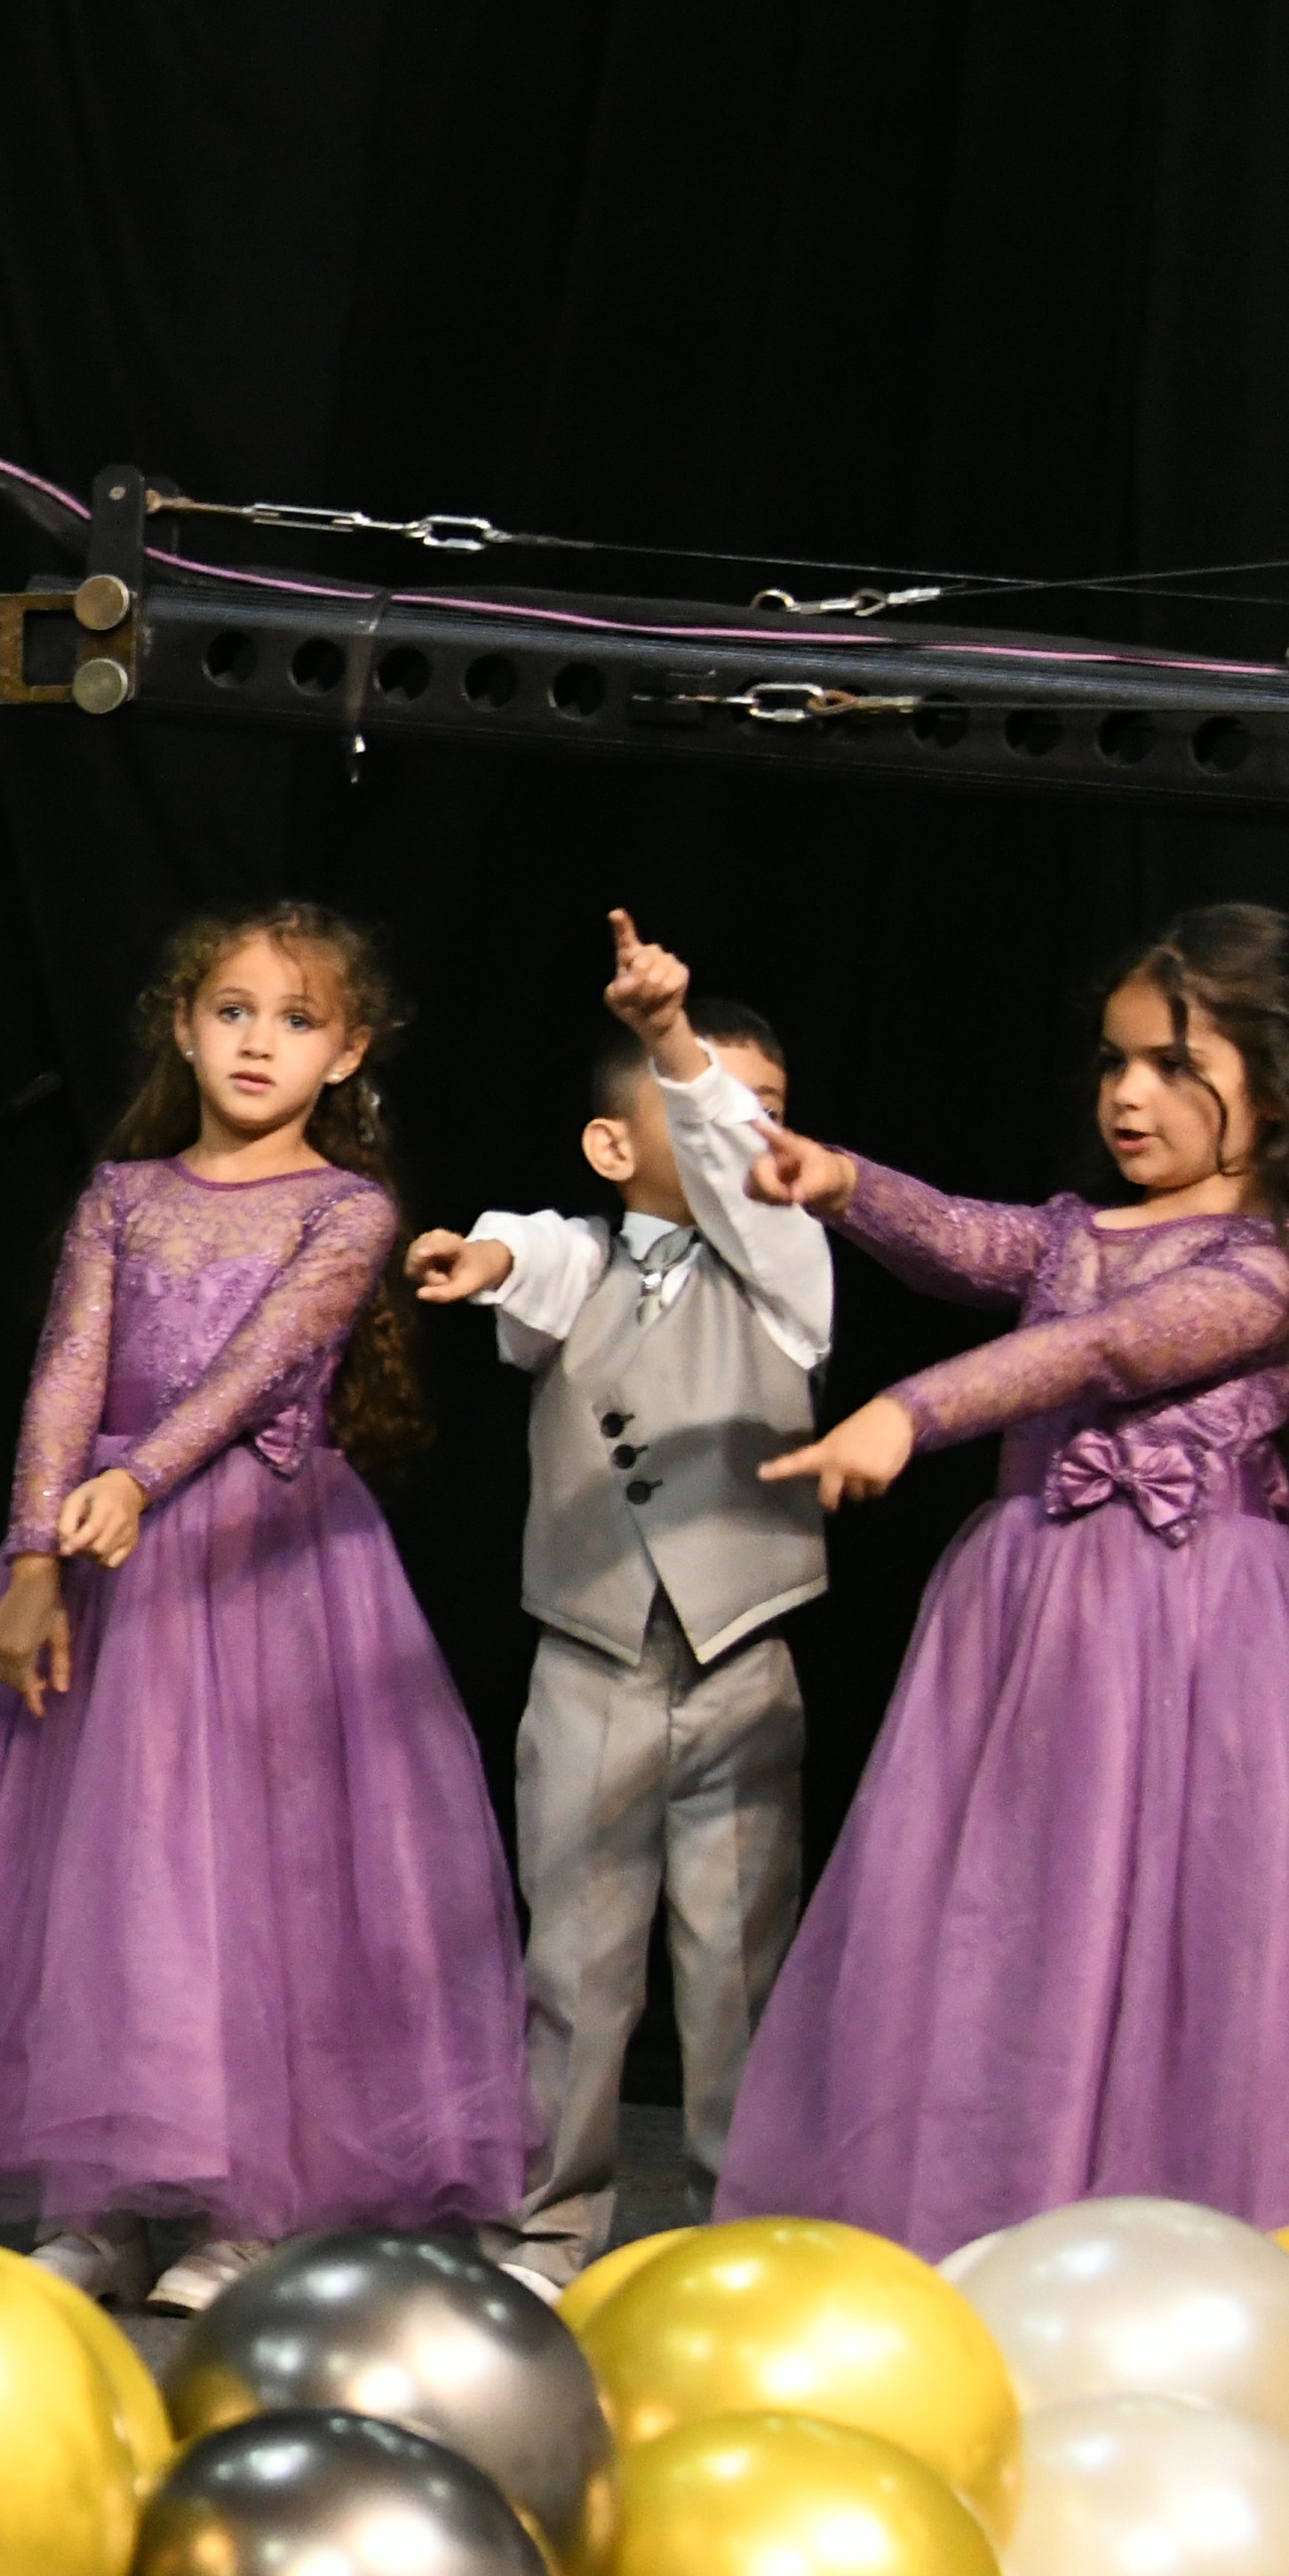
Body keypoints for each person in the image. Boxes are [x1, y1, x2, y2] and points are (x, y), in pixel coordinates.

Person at [0, 900, 532, 2310]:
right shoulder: (124, 1195)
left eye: (297, 1020)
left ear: (346, 1053)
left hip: (271, 1570)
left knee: (260, 1877)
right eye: (233, 1010)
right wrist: (34, 1559)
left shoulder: (348, 1209)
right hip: (106, 1567)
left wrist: (139, 1483)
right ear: (183, 1028)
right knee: (106, 1872)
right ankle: (101, 2203)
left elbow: (261, 1366)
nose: (260, 1041)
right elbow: (69, 1370)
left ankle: (247, 2209)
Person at [718, 905, 1289, 2244]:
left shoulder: (1280, 1266)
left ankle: (1171, 2230)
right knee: (1016, 1911)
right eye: (1114, 1063)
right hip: (1036, 1609)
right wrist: (842, 1181)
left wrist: (912, 1413)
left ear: (1283, 1093)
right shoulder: (1081, 1233)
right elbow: (965, 1240)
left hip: (1192, 1625)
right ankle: (994, 2206)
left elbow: (1106, 1350)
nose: (1128, 1096)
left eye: (1174, 1067)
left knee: (1178, 1919)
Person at [401, 911, 828, 2287]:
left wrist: (678, 1049)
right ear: (610, 1143)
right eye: (707, 1108)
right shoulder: (581, 1259)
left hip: (740, 1654)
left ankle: (741, 2229)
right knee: (577, 1965)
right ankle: (548, 2227)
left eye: (767, 1112)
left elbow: (755, 1207)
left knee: (737, 1965)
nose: (742, 1136)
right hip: (592, 1655)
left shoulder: (789, 1269)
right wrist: (487, 1258)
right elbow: (537, 1254)